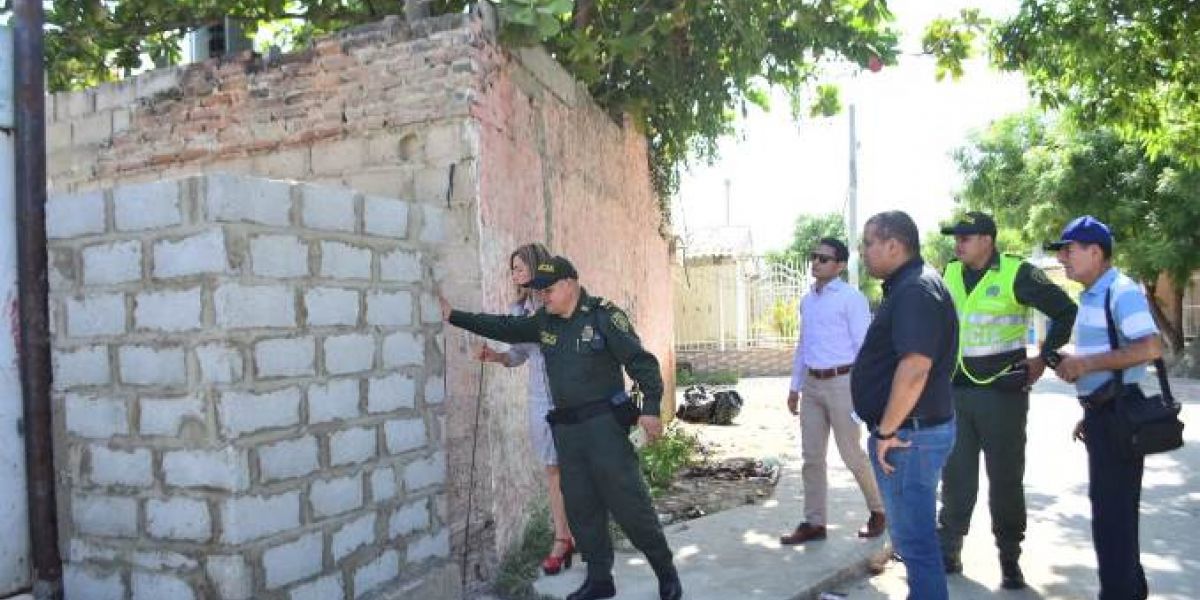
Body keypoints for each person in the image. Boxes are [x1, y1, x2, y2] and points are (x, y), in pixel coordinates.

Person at [439, 256, 682, 600]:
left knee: (630, 504)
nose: (543, 298)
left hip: (604, 431)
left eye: (548, 290)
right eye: (538, 293)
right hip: (567, 432)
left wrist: (651, 409)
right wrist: (453, 316)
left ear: (570, 283)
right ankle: (600, 579)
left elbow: (641, 362)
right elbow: (505, 327)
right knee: (582, 509)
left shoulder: (603, 316)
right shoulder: (544, 322)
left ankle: (665, 572)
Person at [935, 212, 1078, 588]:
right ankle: (949, 550)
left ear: (987, 240)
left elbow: (1066, 311)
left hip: (1002, 394)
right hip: (955, 393)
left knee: (1005, 479)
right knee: (955, 477)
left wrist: (1044, 357)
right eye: (956, 237)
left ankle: (1010, 558)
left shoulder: (1018, 272)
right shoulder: (948, 273)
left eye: (965, 237)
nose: (958, 243)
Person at [1047, 215, 1161, 600]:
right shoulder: (1095, 293)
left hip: (1119, 416)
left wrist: (1085, 365)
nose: (1063, 258)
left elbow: (1150, 347)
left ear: (1095, 252)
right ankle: (1131, 589)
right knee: (1116, 516)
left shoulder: (1120, 290)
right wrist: (1090, 405)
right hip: (1104, 414)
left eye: (1069, 250)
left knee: (1112, 519)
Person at [851, 211, 958, 600]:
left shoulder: (915, 290)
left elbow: (915, 368)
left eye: (868, 243)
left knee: (915, 542)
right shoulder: (909, 285)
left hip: (907, 436)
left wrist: (887, 430)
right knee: (914, 540)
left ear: (893, 245)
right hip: (910, 430)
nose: (862, 252)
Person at [476, 243, 575, 575]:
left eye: (519, 268)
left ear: (536, 268)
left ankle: (588, 536)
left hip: (573, 396)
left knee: (581, 469)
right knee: (554, 470)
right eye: (512, 270)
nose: (514, 275)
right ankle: (562, 539)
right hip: (540, 400)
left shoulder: (559, 302)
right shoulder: (519, 311)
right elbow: (519, 355)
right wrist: (497, 356)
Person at [780, 237, 886, 545]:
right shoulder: (807, 301)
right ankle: (815, 523)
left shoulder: (851, 299)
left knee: (852, 454)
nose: (816, 262)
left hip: (844, 383)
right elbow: (803, 345)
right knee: (811, 457)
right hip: (812, 385)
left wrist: (864, 390)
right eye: (813, 256)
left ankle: (879, 511)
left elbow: (865, 348)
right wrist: (794, 387)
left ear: (839, 266)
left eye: (823, 259)